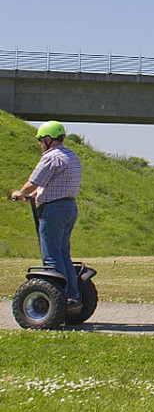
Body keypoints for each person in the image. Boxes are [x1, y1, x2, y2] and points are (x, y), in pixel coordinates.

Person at [10, 121, 84, 312]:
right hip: (69, 207)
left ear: (48, 139)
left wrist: (21, 193)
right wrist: (37, 194)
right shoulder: (72, 156)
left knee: (51, 257)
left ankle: (61, 298)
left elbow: (33, 182)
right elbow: (55, 183)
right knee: (63, 253)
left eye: (41, 140)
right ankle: (74, 296)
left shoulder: (51, 158)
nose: (40, 144)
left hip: (53, 211)